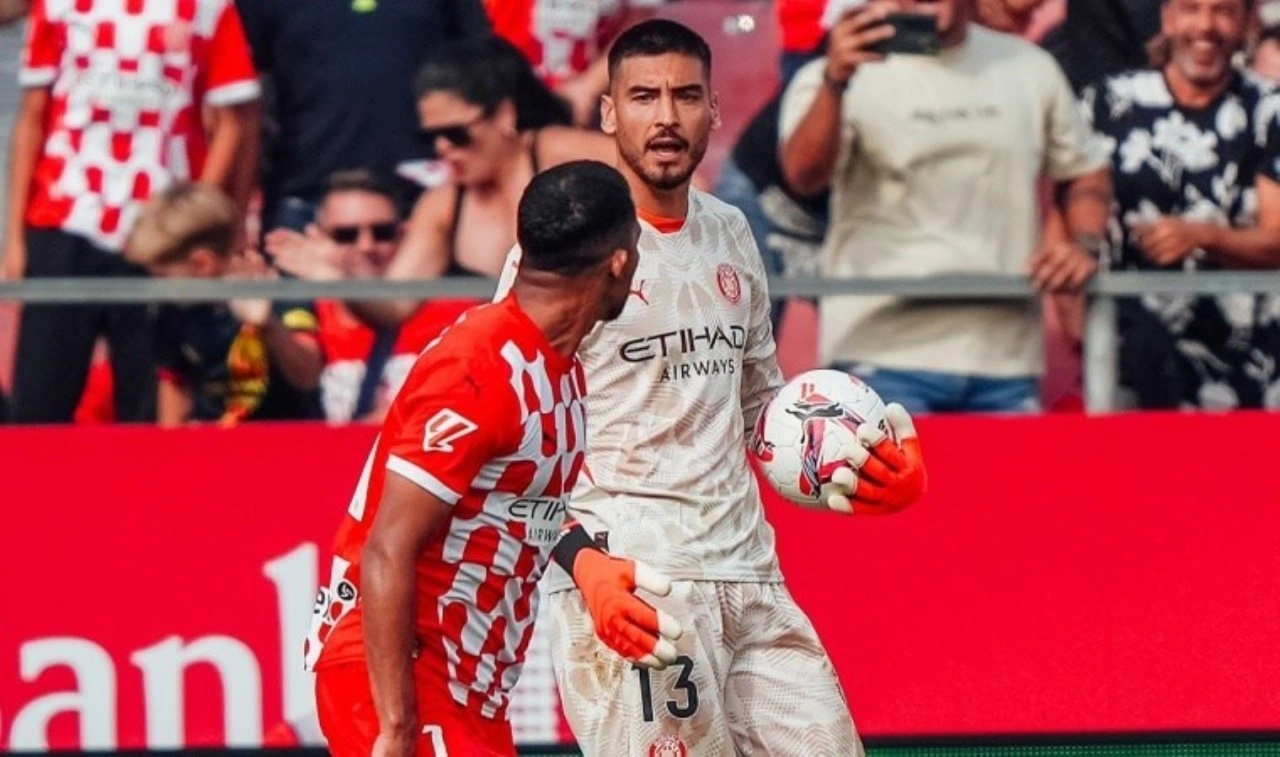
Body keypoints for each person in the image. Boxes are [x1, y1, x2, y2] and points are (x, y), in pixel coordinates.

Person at [496, 20, 927, 756]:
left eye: (685, 95)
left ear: (714, 110)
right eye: (643, 97)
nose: (666, 116)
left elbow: (761, 408)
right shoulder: (563, 249)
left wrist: (858, 466)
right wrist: (584, 565)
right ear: (609, 114)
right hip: (636, 583)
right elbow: (506, 440)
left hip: (750, 575)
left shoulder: (731, 231)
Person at [304, 160, 686, 756]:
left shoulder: (559, 370)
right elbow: (386, 548)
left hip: (471, 691)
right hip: (403, 675)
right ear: (618, 262)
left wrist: (587, 564)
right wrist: (397, 728)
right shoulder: (477, 370)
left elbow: (515, 503)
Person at [779, 0, 1112, 414]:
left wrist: (1084, 245)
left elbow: (1086, 171)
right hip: (880, 351)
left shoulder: (1030, 66)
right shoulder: (842, 69)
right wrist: (834, 82)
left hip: (1003, 358)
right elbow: (803, 177)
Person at [4, 0, 261, 423]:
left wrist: (198, 218)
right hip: (65, 218)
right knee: (38, 406)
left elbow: (237, 120)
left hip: (159, 234)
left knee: (149, 407)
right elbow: (32, 117)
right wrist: (14, 239)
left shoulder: (209, 7)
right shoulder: (57, 5)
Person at [273, 35, 615, 330]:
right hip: (521, 364)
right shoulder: (444, 205)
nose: (442, 149)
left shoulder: (567, 154)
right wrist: (341, 281)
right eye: (431, 137)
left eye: (456, 134)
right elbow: (394, 305)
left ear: (505, 114)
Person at [1082, 0, 1280, 409]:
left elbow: (1277, 238)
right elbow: (1069, 213)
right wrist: (1078, 325)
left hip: (1247, 369)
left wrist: (1206, 237)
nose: (1206, 26)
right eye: (1191, 8)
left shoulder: (1269, 110)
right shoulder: (1107, 104)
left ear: (1246, 24)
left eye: (1223, 11)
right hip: (1129, 362)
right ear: (1167, 19)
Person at [236, 0, 490, 231]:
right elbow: (242, 101)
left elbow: (481, 72)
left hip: (426, 192)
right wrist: (239, 219)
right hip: (304, 199)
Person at [124, 183, 323, 426]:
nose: (156, 287)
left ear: (202, 264)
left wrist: (268, 324)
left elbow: (308, 376)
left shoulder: (276, 288)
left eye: (162, 277)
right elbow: (174, 388)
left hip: (287, 435)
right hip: (214, 438)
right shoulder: (173, 309)